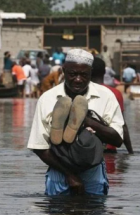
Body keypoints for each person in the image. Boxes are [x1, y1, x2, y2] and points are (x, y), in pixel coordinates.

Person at [27, 49, 124, 196]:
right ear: (63, 71)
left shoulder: (106, 96)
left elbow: (117, 140)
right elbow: (39, 147)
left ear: (91, 73)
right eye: (73, 74)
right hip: (60, 168)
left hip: (92, 167)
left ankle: (81, 122)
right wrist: (69, 175)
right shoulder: (47, 98)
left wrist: (87, 121)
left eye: (83, 75)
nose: (78, 79)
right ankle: (66, 129)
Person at [91, 57, 134, 154]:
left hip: (87, 149)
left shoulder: (82, 92)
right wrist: (130, 151)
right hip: (109, 151)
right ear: (104, 72)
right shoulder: (115, 93)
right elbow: (122, 124)